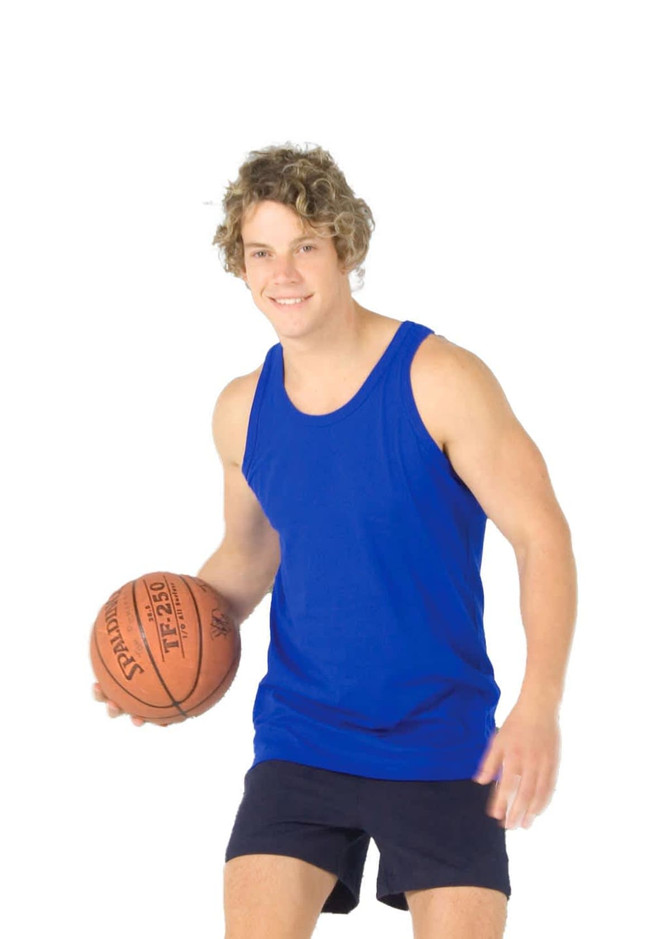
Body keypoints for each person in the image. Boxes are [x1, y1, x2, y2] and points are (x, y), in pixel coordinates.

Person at [93, 142, 577, 938]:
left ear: (345, 247)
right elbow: (250, 556)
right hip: (303, 734)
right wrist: (164, 645)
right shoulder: (242, 411)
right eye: (261, 252)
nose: (283, 273)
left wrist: (540, 702)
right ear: (241, 266)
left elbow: (541, 534)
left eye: (305, 246)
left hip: (442, 741)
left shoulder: (439, 378)